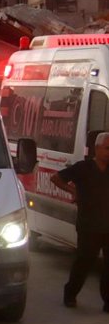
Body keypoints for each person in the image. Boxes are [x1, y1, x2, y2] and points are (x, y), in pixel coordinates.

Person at [52, 132, 109, 313]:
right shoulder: (84, 168)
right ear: (97, 148)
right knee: (84, 262)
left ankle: (108, 301)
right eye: (107, 148)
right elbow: (56, 178)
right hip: (89, 225)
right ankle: (70, 293)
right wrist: (73, 191)